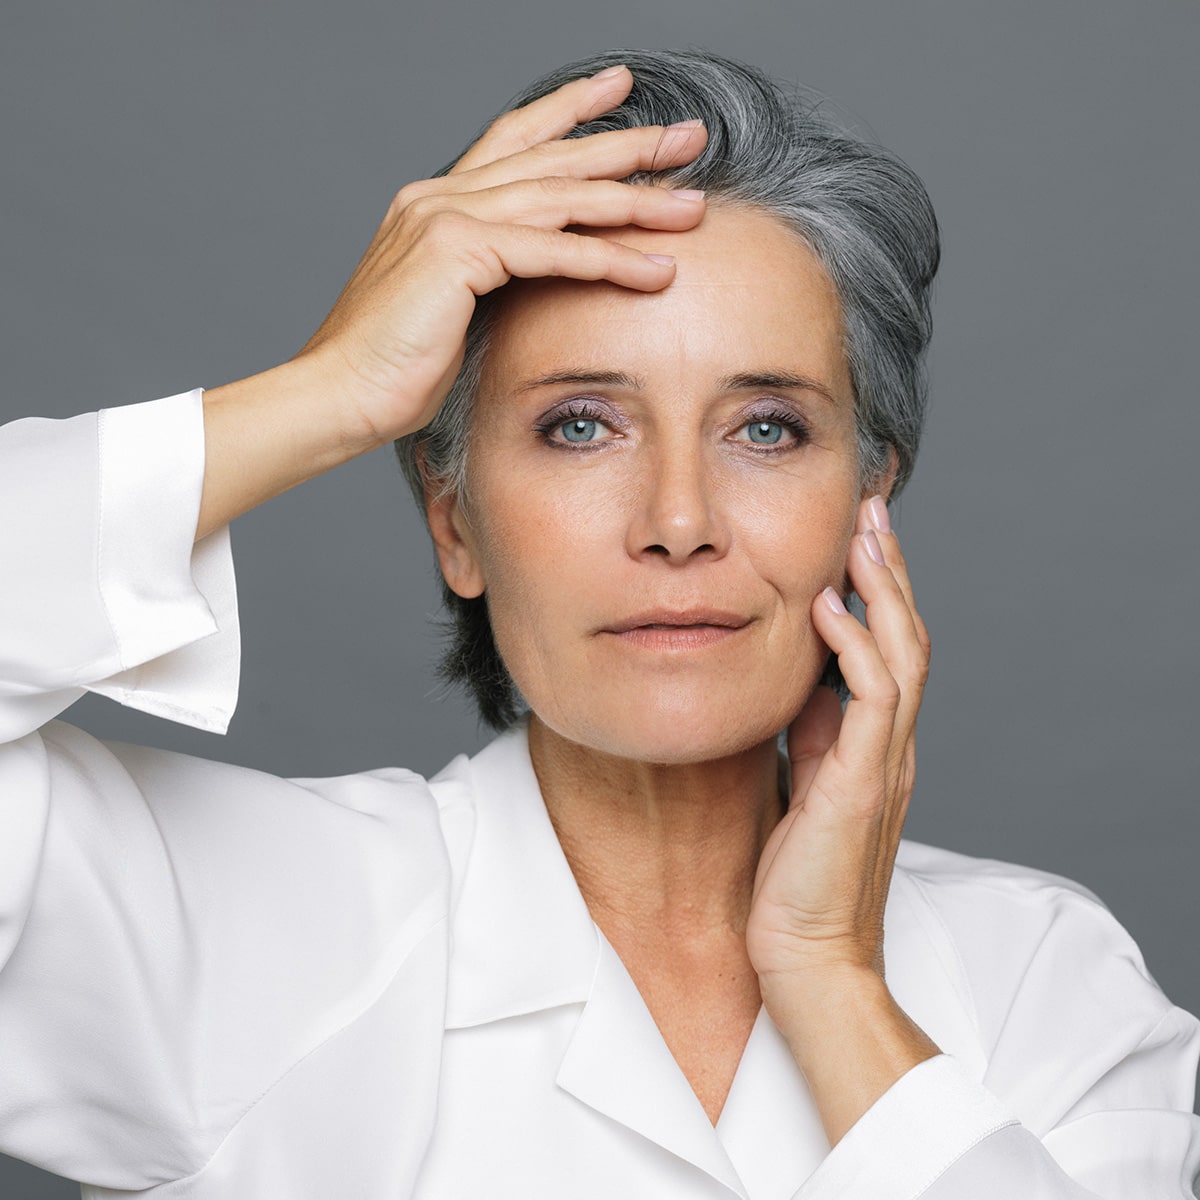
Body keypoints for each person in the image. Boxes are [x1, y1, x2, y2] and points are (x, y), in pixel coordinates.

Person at [0, 47, 1196, 1199]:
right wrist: (330, 390)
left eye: (766, 428)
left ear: (867, 500)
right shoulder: (233, 923)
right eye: (581, 424)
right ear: (453, 522)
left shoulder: (1046, 976)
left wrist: (832, 981)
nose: (679, 522)